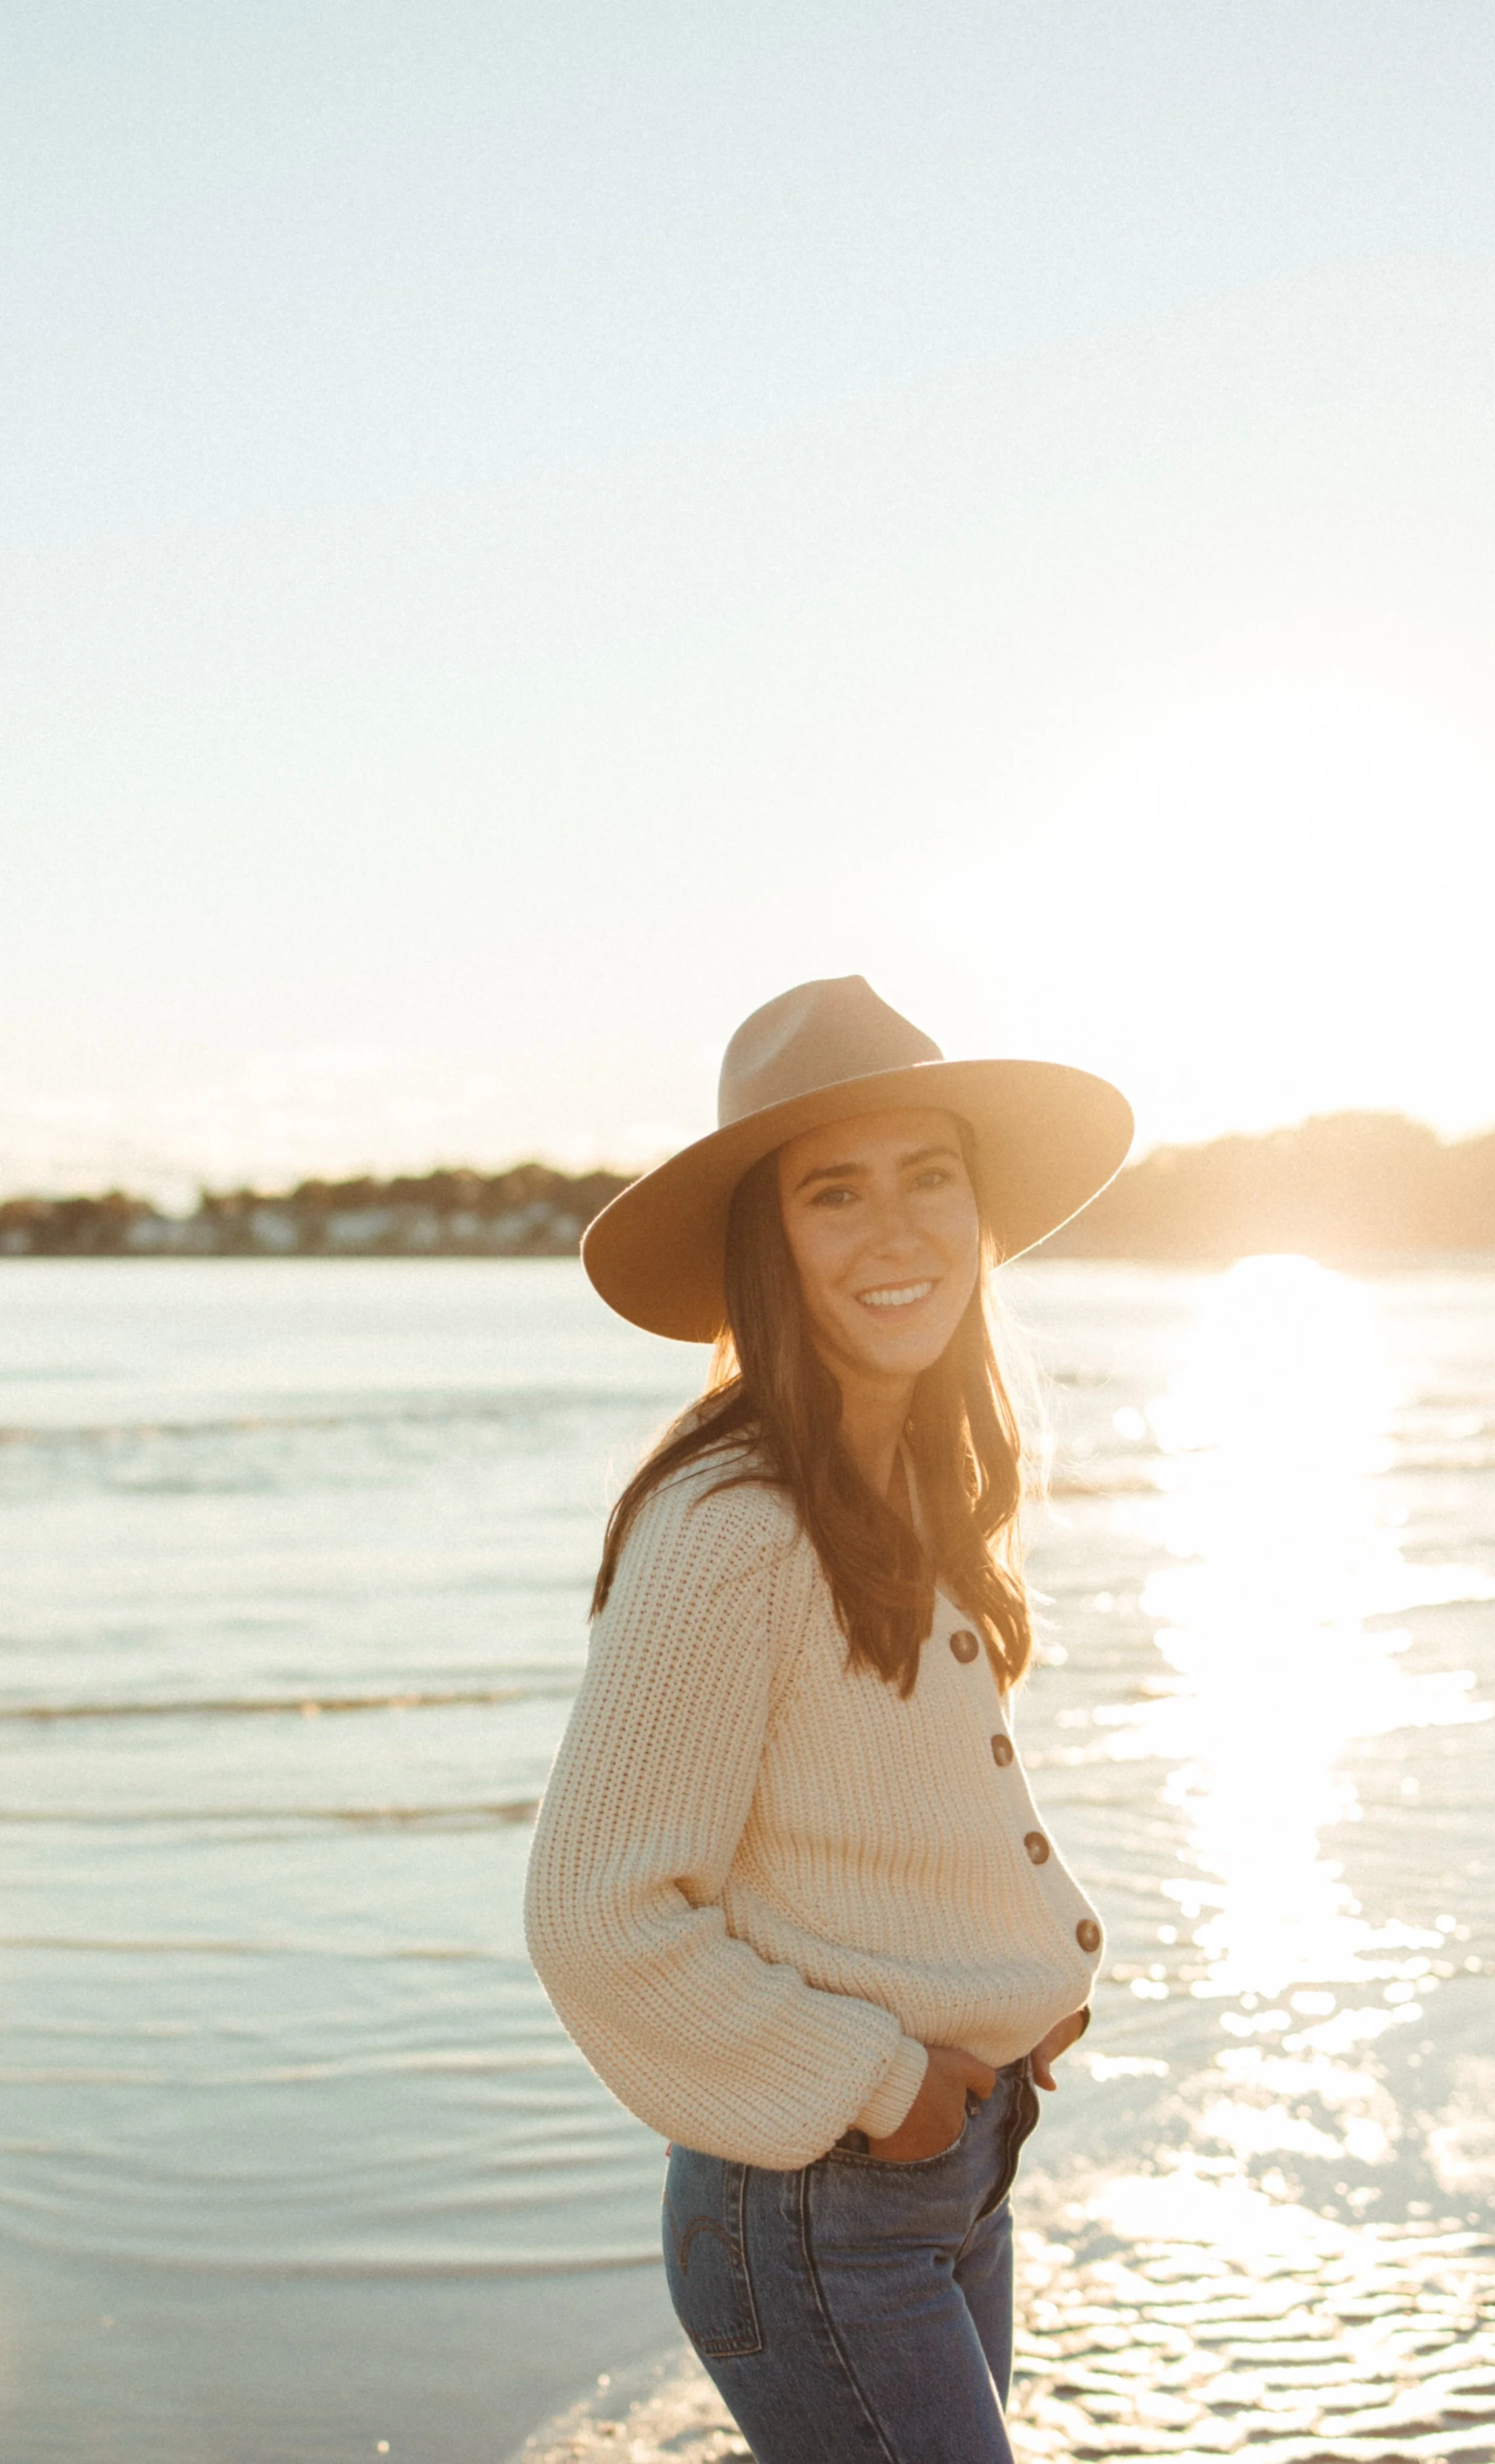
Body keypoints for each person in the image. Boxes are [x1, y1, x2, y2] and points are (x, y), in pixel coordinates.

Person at [526, 975, 1133, 2464]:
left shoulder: (911, 1480)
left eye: (930, 1177)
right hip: (819, 2202)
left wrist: (1010, 1982)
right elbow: (593, 1912)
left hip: (947, 2172)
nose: (897, 1230)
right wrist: (885, 2082)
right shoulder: (732, 1522)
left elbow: (885, 1816)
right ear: (768, 1242)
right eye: (835, 1192)